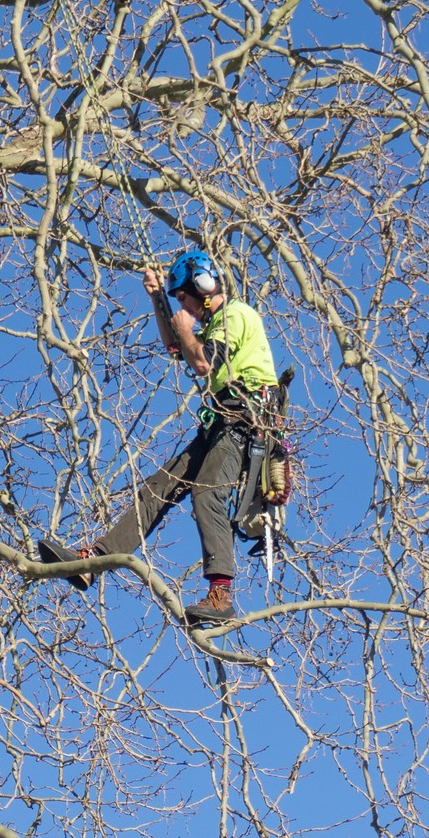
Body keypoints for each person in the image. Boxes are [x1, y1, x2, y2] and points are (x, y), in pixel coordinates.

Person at [38, 248, 279, 624]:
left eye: (183, 298)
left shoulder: (235, 315)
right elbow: (177, 347)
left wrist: (185, 330)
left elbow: (200, 361)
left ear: (202, 286)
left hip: (243, 424)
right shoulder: (215, 323)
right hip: (221, 423)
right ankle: (92, 562)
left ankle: (221, 594)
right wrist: (157, 300)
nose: (185, 307)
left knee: (206, 493)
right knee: (157, 489)